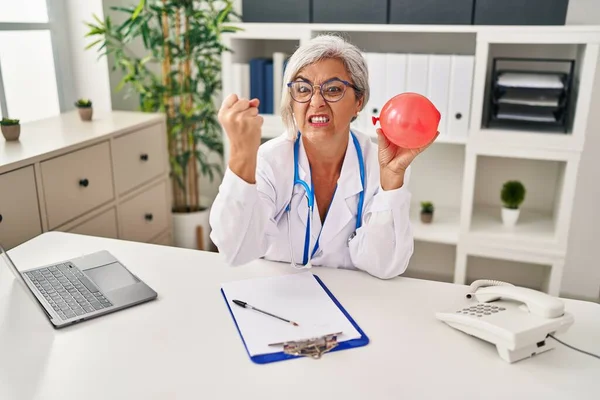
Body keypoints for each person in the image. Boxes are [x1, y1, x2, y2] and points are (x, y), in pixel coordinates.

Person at [209, 34, 438, 279]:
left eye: (333, 89)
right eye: (303, 89)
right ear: (291, 101)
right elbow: (236, 251)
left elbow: (385, 266)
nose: (316, 102)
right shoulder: (269, 160)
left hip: (351, 304)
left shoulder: (379, 164)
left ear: (358, 101)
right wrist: (241, 157)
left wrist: (391, 182)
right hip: (279, 301)